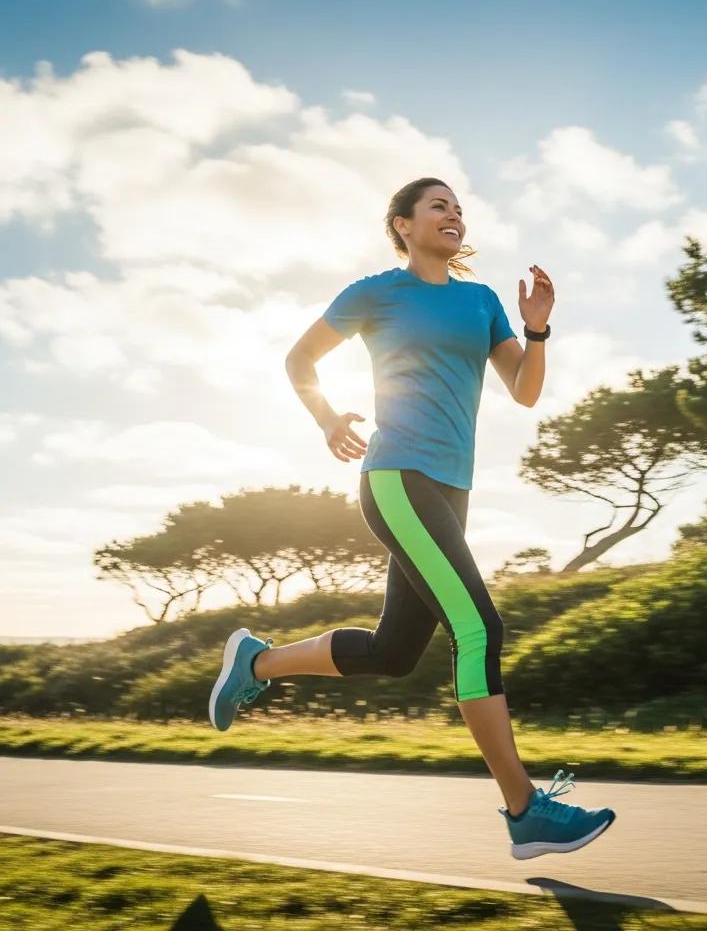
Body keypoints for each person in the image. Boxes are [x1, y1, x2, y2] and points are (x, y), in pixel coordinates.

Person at [208, 177, 615, 859]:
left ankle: (259, 662)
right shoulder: (377, 293)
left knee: (394, 654)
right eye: (438, 206)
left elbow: (526, 391)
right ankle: (525, 810)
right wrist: (328, 417)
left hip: (451, 490)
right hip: (397, 477)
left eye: (458, 207)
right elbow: (299, 358)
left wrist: (538, 327)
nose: (454, 214)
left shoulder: (481, 301)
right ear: (402, 225)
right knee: (479, 628)